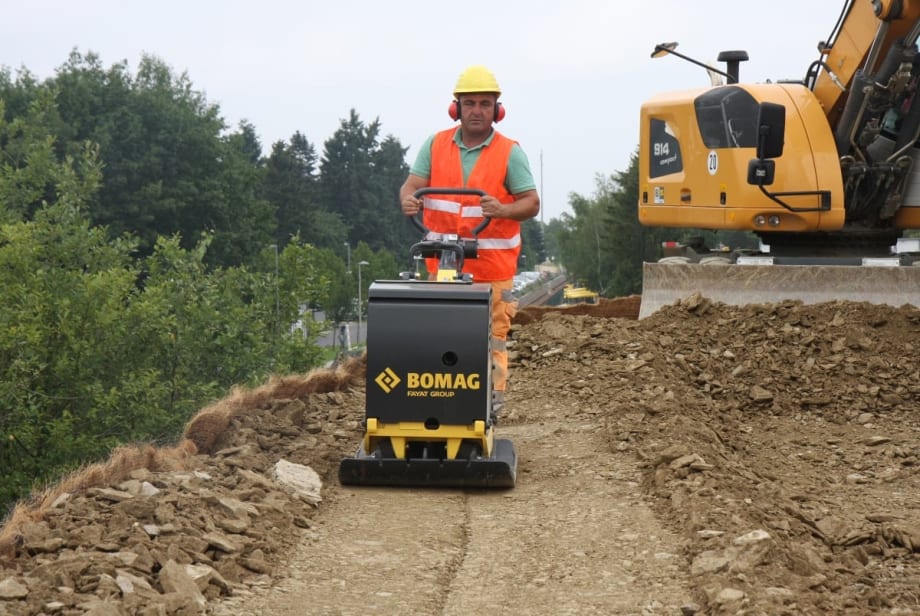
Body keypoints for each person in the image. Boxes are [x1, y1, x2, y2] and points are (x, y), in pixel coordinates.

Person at [399, 65, 540, 420]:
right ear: (456, 107)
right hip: (442, 266)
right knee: (440, 333)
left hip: (492, 270)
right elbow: (412, 186)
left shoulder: (510, 153)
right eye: (470, 103)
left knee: (493, 337)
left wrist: (503, 210)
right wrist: (408, 200)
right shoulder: (435, 145)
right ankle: (438, 400)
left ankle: (491, 404)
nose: (477, 110)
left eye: (485, 104)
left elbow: (531, 203)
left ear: (497, 109)